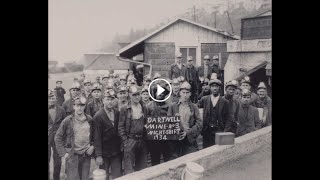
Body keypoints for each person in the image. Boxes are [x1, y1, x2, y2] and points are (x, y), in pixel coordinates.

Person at [55, 96, 94, 180]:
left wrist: (93, 146)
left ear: (85, 106)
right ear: (73, 106)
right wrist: (63, 153)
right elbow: (57, 137)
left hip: (86, 155)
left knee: (85, 178)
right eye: (77, 105)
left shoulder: (89, 119)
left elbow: (95, 135)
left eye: (82, 105)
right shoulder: (67, 120)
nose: (79, 108)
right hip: (72, 156)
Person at [118, 85, 148, 174]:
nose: (137, 97)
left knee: (142, 166)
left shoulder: (144, 107)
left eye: (138, 94)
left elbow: (147, 122)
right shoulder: (125, 109)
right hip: (130, 140)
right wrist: (125, 142)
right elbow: (120, 127)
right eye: (134, 95)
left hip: (142, 140)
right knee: (129, 167)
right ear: (130, 95)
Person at [167, 82, 202, 157]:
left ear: (190, 94)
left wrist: (188, 133)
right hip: (176, 141)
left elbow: (199, 123)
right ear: (180, 93)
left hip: (189, 140)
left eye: (187, 93)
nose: (185, 95)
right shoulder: (173, 106)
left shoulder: (194, 107)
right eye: (183, 92)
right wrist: (176, 131)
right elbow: (168, 122)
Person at [93, 90, 122, 180]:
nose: (110, 102)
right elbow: (96, 137)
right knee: (104, 176)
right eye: (107, 99)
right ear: (103, 101)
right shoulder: (98, 116)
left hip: (116, 152)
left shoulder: (117, 113)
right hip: (104, 153)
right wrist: (98, 155)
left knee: (117, 175)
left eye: (111, 99)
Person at [198, 77, 231, 148]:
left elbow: (229, 118)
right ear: (210, 88)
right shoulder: (204, 99)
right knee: (206, 152)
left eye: (217, 86)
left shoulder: (225, 102)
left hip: (220, 131)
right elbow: (197, 112)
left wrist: (225, 132)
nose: (215, 88)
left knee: (220, 151)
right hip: (207, 132)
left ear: (220, 88)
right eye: (213, 86)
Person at [146, 88, 173, 165]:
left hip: (166, 138)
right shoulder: (149, 106)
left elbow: (172, 121)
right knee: (155, 160)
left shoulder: (169, 106)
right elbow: (146, 121)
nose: (160, 94)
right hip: (154, 139)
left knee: (167, 159)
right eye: (158, 92)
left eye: (162, 93)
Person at [48, 89, 66, 180]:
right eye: (49, 98)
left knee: (57, 160)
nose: (51, 100)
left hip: (58, 138)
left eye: (53, 98)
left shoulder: (61, 110)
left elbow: (64, 123)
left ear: (56, 98)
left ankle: (56, 178)